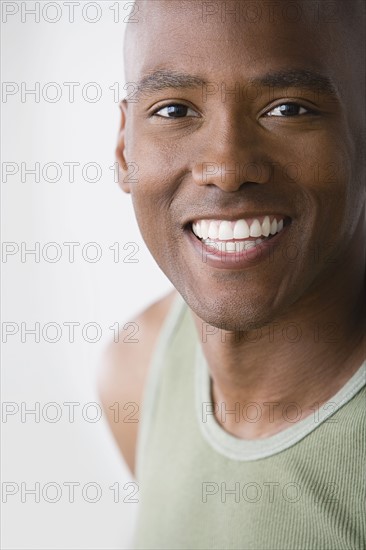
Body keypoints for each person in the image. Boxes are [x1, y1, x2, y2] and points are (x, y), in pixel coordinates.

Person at [99, 1, 366, 548]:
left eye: (289, 109)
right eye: (174, 110)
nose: (225, 166)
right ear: (125, 148)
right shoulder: (138, 367)